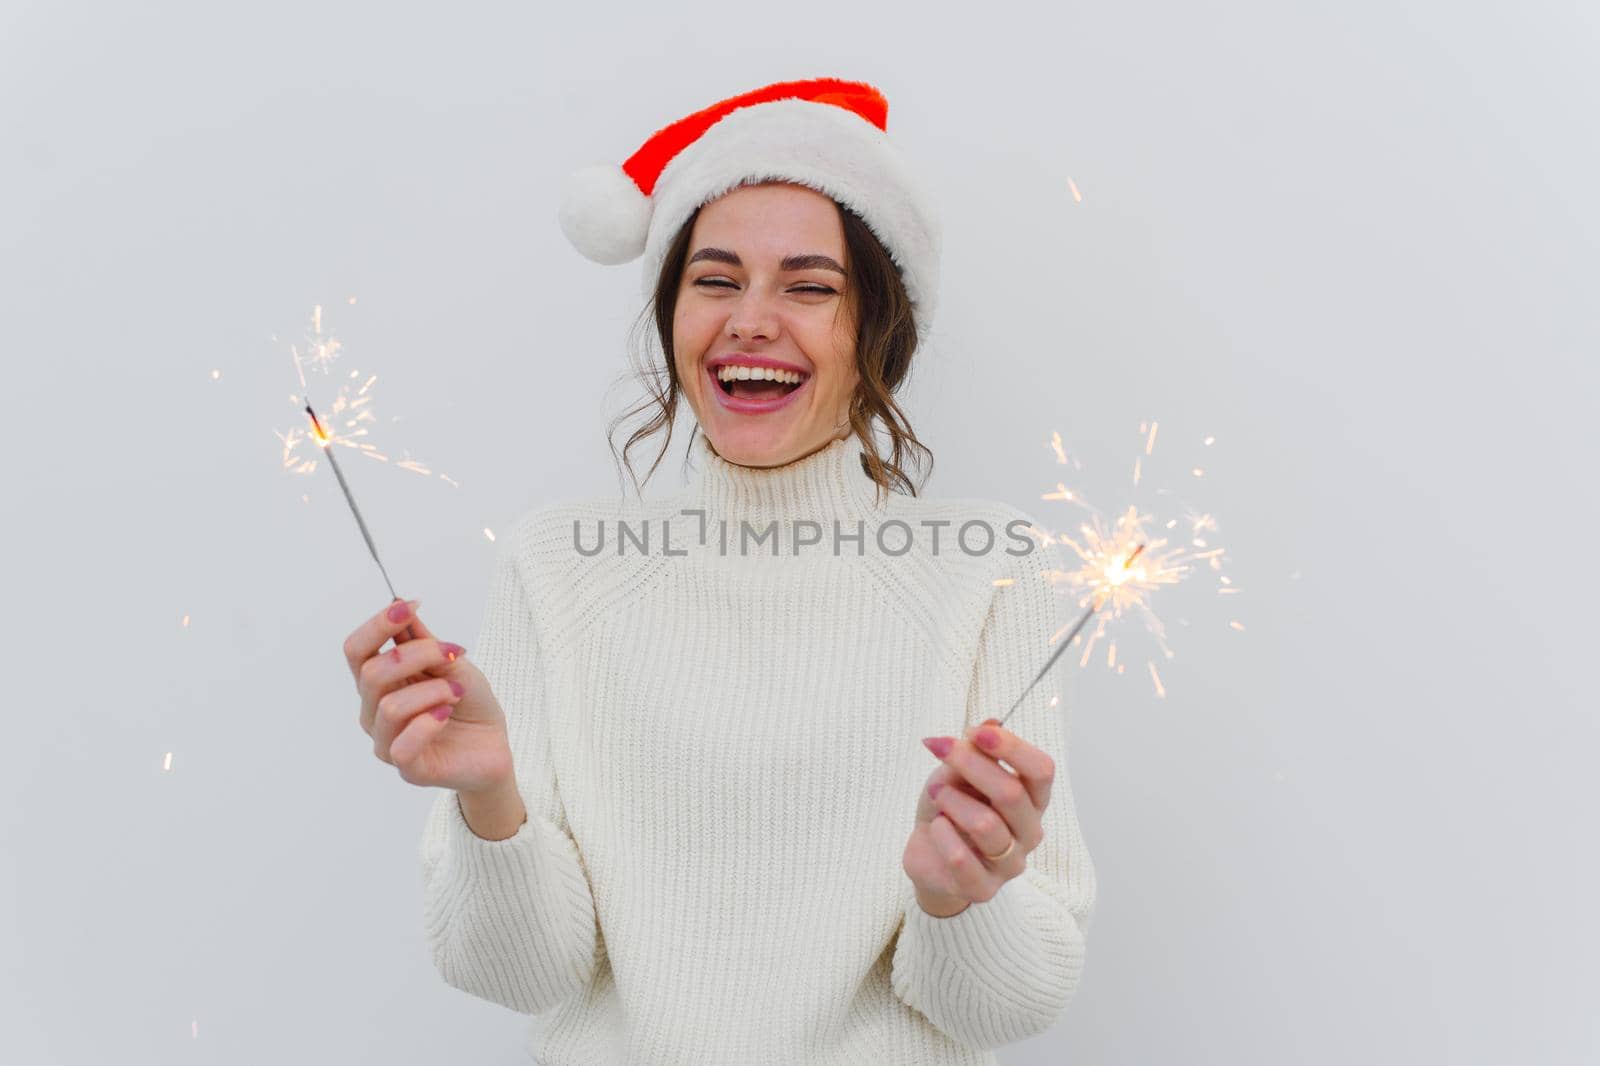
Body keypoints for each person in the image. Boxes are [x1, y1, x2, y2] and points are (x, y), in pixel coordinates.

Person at [342, 77, 1097, 1064]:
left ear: (880, 328)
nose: (749, 319)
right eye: (714, 278)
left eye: (809, 285)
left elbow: (1012, 1004)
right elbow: (521, 976)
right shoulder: (557, 566)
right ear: (668, 315)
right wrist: (491, 802)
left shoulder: (988, 569)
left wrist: (960, 899)